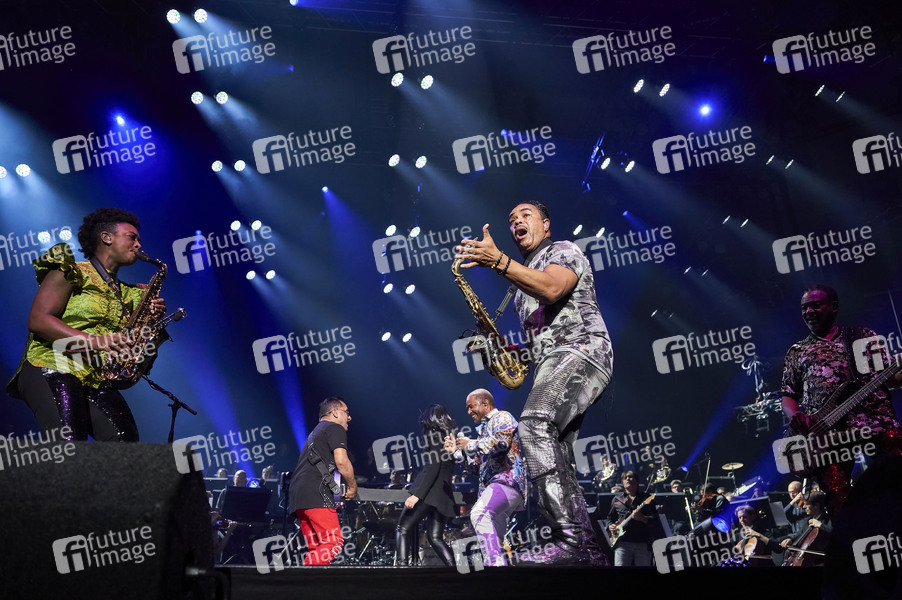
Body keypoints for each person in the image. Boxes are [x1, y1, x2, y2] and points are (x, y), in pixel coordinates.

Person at [456, 201, 613, 565]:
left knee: (533, 424)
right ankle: (588, 552)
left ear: (546, 224)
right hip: (552, 361)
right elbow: (537, 346)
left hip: (582, 349)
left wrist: (499, 261)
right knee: (558, 455)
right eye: (511, 220)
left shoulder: (563, 251)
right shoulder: (520, 289)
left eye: (525, 215)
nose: (516, 222)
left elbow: (554, 288)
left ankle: (569, 540)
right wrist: (499, 351)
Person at [5, 208, 166, 441]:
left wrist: (149, 323)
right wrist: (96, 341)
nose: (139, 244)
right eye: (132, 237)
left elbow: (132, 344)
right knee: (71, 446)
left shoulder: (131, 294)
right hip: (53, 364)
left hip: (96, 376)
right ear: (106, 237)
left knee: (126, 444)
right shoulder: (72, 270)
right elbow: (38, 320)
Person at [780, 284, 902, 515]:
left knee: (897, 481)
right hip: (827, 436)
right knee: (839, 502)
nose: (809, 311)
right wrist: (795, 417)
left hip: (875, 424)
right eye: (805, 308)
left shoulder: (863, 337)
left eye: (815, 305)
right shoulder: (797, 351)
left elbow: (892, 380)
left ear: (833, 307)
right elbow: (789, 395)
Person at [454, 388, 527, 566]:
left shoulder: (503, 417)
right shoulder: (484, 431)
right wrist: (458, 453)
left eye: (471, 407)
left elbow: (502, 444)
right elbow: (476, 468)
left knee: (479, 513)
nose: (468, 412)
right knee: (495, 539)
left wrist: (471, 444)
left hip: (507, 481)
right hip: (496, 486)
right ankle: (498, 573)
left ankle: (494, 565)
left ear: (485, 404)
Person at [287, 396, 357, 565]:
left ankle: (306, 580)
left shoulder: (315, 432)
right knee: (334, 541)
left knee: (316, 548)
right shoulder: (334, 428)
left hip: (299, 497)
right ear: (335, 412)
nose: (349, 417)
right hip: (316, 494)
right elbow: (342, 461)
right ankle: (309, 579)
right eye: (346, 412)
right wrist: (352, 487)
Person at [395, 404, 458, 567]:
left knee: (402, 529)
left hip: (429, 493)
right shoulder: (450, 436)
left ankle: (402, 569)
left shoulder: (433, 434)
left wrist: (417, 495)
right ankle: (454, 570)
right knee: (435, 537)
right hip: (443, 495)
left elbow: (432, 467)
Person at [743, 491, 831, 567]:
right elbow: (800, 533)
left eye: (806, 504)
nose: (803, 507)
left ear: (816, 506)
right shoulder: (809, 520)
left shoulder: (828, 520)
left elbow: (835, 536)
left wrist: (820, 525)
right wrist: (791, 539)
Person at [605, 471, 655, 566]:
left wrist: (642, 518)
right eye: (625, 478)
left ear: (637, 481)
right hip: (622, 543)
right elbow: (609, 518)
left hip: (642, 543)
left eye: (630, 477)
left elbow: (655, 519)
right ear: (623, 482)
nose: (628, 479)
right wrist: (610, 526)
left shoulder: (646, 498)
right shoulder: (617, 499)